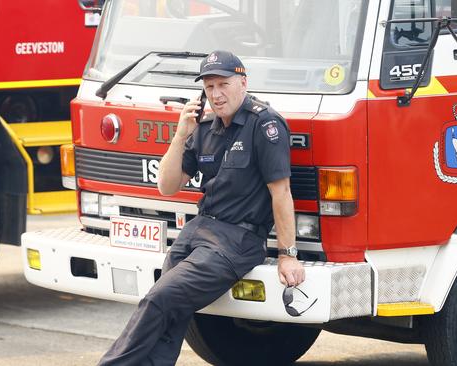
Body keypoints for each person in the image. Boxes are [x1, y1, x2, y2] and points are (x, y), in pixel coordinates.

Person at [98, 50, 305, 366]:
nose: (217, 95)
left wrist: (287, 255)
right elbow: (167, 186)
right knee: (172, 311)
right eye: (210, 88)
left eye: (223, 84)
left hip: (237, 241)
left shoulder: (264, 124)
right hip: (198, 232)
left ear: (243, 82)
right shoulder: (205, 128)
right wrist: (180, 134)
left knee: (159, 299)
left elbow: (281, 193)